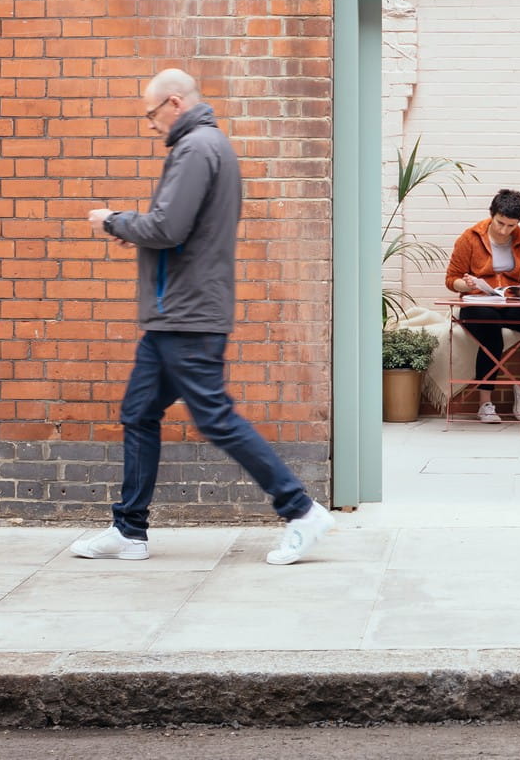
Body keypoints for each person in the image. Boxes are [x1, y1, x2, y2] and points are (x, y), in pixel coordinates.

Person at [71, 68, 333, 565]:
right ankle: (129, 530)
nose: (149, 126)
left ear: (173, 103)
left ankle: (300, 510)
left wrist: (113, 221)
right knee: (139, 412)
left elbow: (169, 226)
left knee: (215, 418)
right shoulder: (209, 146)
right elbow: (179, 229)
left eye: (151, 115)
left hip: (187, 314)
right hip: (178, 313)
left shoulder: (195, 149)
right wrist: (140, 232)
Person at [445, 189, 520, 423]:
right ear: (492, 214)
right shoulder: (469, 238)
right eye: (500, 223)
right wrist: (466, 286)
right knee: (491, 329)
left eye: (511, 226)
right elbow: (451, 279)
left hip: (509, 303)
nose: (504, 230)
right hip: (477, 303)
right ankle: (485, 404)